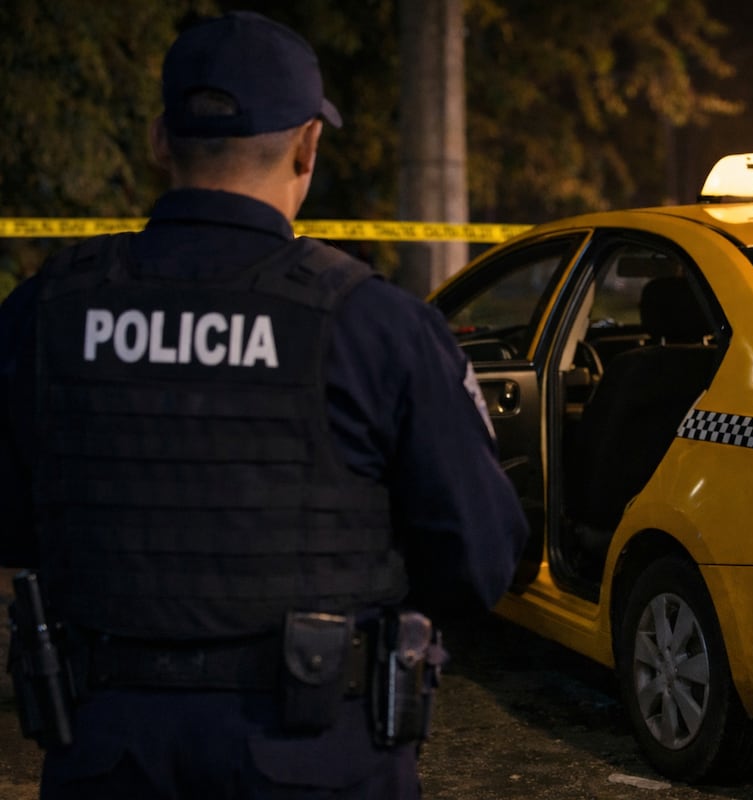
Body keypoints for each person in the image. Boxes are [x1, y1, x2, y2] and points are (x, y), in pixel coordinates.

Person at [0, 10, 528, 799]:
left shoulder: (45, 310)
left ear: (159, 139)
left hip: (107, 746)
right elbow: (480, 560)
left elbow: (13, 523)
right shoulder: (376, 323)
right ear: (309, 145)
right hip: (318, 751)